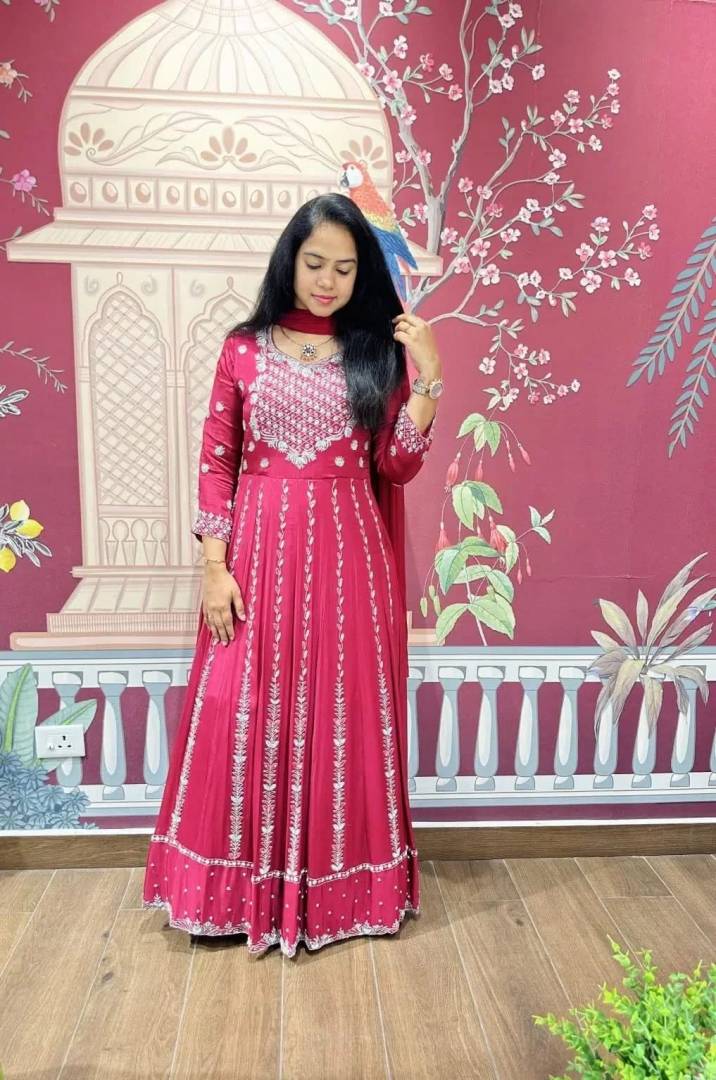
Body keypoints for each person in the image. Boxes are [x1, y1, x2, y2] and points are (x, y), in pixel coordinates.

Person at [142, 192, 443, 958]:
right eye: (315, 264)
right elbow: (217, 462)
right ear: (290, 261)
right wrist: (214, 568)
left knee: (340, 714)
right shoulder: (243, 349)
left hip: (349, 564)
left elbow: (396, 465)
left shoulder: (375, 353)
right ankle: (229, 894)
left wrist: (429, 379)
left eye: (344, 268)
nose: (328, 281)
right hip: (256, 559)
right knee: (239, 709)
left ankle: (342, 893)